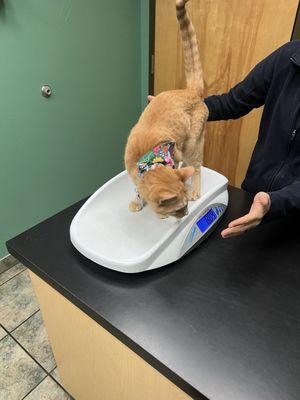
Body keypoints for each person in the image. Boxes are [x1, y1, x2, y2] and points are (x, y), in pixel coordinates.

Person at [149, 40, 300, 238]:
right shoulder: (289, 57)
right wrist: (185, 110)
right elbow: (235, 101)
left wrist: (275, 202)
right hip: (254, 196)